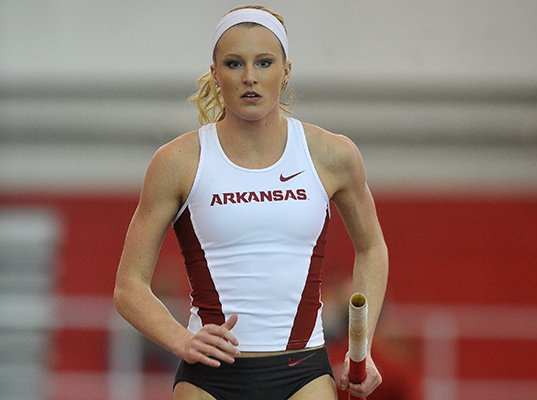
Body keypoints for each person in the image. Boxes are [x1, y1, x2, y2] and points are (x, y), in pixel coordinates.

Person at [113, 5, 388, 399]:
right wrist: (180, 339)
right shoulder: (178, 162)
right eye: (233, 63)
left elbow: (372, 246)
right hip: (210, 378)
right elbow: (129, 287)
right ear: (214, 73)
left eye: (263, 63)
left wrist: (363, 352)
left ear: (286, 71)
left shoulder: (332, 155)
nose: (249, 78)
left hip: (303, 374)